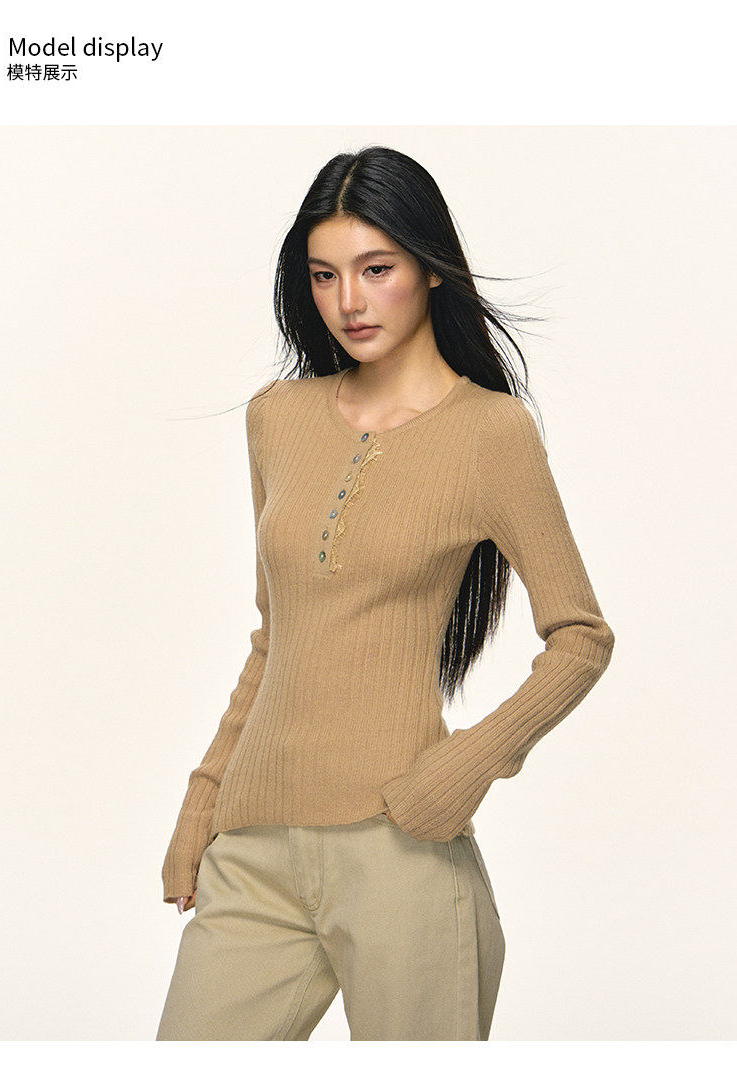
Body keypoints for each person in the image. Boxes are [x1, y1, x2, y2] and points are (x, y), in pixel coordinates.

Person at [155, 146, 614, 1042]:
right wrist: (201, 803)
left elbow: (581, 637)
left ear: (431, 269)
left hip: (401, 847)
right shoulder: (277, 417)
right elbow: (275, 635)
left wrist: (462, 770)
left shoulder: (491, 432)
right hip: (253, 851)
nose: (349, 303)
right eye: (324, 275)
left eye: (376, 270)